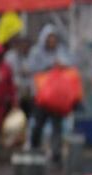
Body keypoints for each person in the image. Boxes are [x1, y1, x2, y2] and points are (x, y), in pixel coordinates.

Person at [26, 24, 73, 161]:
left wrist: (62, 65)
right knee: (38, 124)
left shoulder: (61, 51)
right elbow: (31, 69)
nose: (52, 41)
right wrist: (47, 68)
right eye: (49, 39)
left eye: (54, 38)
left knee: (57, 126)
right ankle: (35, 150)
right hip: (41, 97)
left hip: (56, 98)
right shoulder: (36, 52)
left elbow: (70, 64)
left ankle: (56, 155)